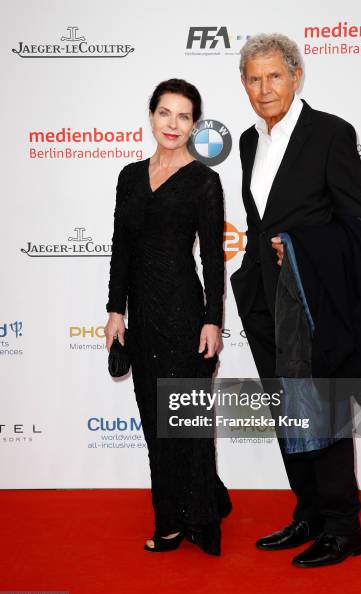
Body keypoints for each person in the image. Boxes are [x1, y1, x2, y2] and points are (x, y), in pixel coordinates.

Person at [231, 33, 361, 568]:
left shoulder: (330, 133)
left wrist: (298, 247)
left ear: (296, 76)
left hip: (314, 300)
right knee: (287, 413)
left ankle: (344, 528)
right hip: (266, 300)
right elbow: (258, 220)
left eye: (275, 75)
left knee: (325, 409)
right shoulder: (250, 142)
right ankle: (310, 513)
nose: (264, 87)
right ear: (244, 85)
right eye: (254, 78)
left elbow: (360, 220)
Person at [104, 78, 231, 555]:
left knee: (187, 419)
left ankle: (195, 516)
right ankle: (173, 514)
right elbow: (121, 247)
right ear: (151, 115)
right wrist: (116, 309)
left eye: (183, 116)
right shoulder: (129, 176)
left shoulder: (203, 181)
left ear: (194, 125)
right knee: (155, 420)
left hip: (183, 311)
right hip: (142, 312)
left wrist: (212, 319)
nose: (173, 124)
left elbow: (214, 259)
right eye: (165, 113)